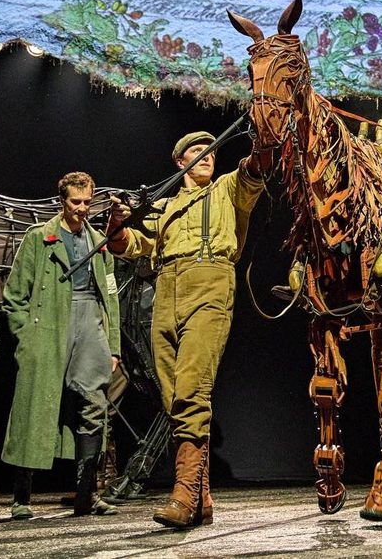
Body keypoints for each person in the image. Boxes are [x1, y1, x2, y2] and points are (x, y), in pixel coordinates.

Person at [108, 131, 265, 528]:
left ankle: (183, 493)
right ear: (180, 162)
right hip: (167, 287)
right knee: (172, 394)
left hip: (210, 280)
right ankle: (202, 498)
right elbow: (130, 246)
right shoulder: (163, 206)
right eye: (197, 151)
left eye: (211, 150)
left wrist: (264, 131)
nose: (207, 155)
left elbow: (257, 167)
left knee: (192, 387)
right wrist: (116, 223)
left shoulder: (230, 188)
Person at [1, 171, 121, 519]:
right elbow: (14, 296)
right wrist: (28, 340)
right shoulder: (40, 238)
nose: (82, 209)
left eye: (87, 202)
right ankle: (22, 496)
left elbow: (110, 296)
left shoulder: (99, 242)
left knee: (95, 406)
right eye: (75, 202)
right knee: (36, 405)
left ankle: (86, 493)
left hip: (90, 323)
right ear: (62, 201)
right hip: (49, 322)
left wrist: (112, 346)